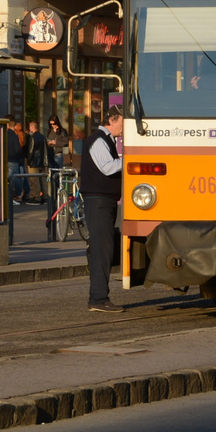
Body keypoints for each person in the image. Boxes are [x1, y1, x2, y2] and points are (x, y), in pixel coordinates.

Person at [80, 105, 126, 312]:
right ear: (112, 120)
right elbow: (107, 167)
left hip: (103, 201)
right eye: (123, 122)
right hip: (97, 201)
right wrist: (130, 158)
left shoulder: (106, 140)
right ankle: (97, 299)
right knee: (101, 249)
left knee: (105, 248)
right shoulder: (98, 139)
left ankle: (100, 297)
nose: (124, 127)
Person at [24, 119, 51, 201]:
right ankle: (45, 196)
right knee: (43, 179)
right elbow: (46, 150)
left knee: (34, 180)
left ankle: (36, 196)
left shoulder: (33, 138)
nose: (29, 128)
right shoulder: (43, 137)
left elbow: (31, 151)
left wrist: (29, 161)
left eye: (30, 127)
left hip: (34, 162)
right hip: (42, 162)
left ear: (32, 127)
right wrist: (46, 163)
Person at [6, 119, 26, 205]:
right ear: (14, 126)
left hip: (6, 159)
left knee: (8, 178)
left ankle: (8, 196)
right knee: (13, 178)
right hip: (14, 159)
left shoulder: (4, 134)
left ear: (7, 125)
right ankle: (16, 194)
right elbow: (17, 149)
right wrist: (20, 157)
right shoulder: (14, 135)